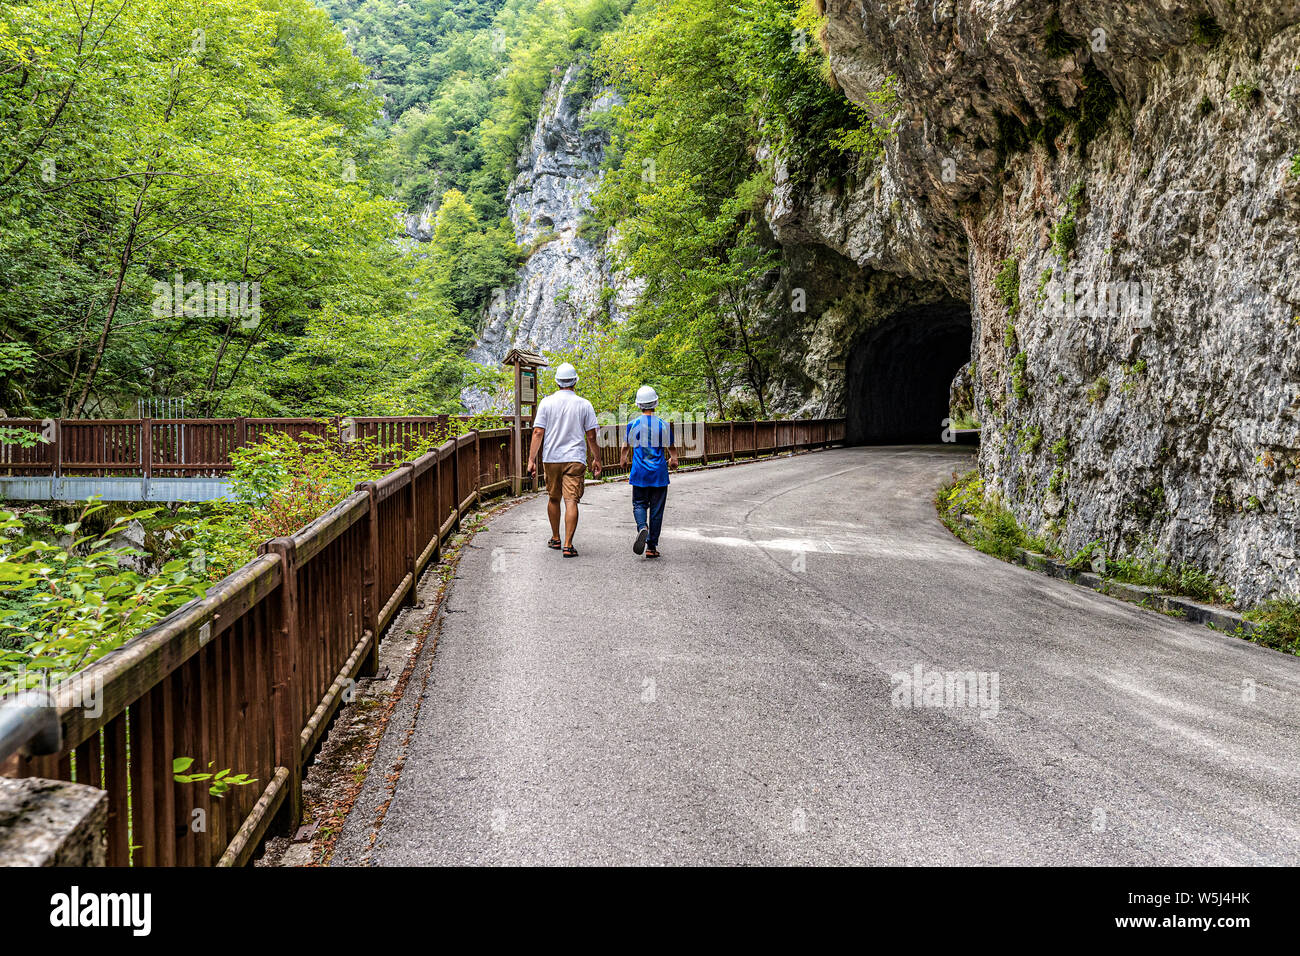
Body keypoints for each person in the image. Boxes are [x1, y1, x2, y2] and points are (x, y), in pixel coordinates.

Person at [526, 362, 602, 557]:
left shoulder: (546, 403)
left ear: (557, 382)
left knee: (553, 497)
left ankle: (556, 537)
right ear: (575, 381)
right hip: (575, 458)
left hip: (552, 457)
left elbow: (537, 432)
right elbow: (592, 436)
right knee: (571, 501)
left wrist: (531, 460)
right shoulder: (584, 404)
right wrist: (597, 458)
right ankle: (568, 545)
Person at [619, 385, 677, 559]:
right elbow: (671, 447)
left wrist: (623, 460)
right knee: (657, 510)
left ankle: (642, 527)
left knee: (639, 504)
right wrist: (674, 459)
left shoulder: (633, 424)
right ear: (656, 403)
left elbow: (625, 447)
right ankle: (651, 547)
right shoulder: (663, 425)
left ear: (638, 405)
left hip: (639, 473)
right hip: (659, 474)